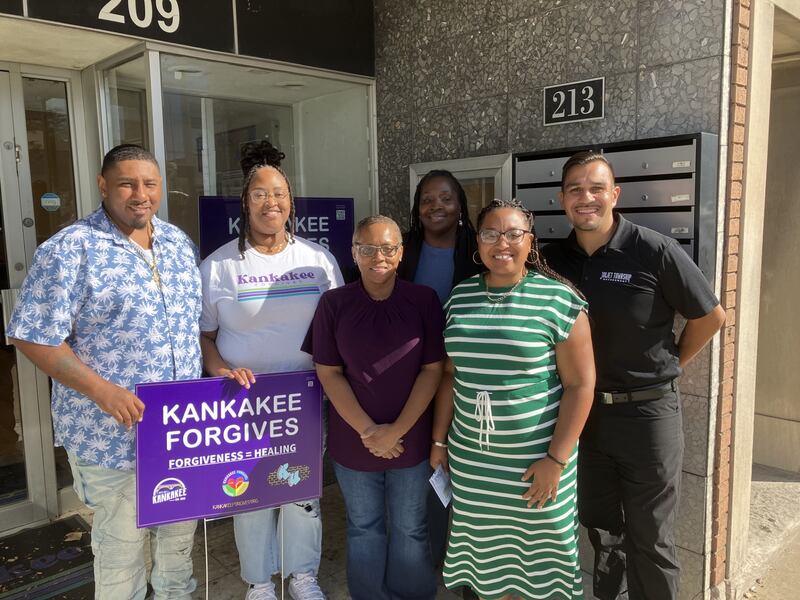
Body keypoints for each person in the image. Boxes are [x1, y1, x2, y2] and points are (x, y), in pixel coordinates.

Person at [6, 144, 201, 599]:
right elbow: (33, 336)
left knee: (177, 544)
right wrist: (102, 391)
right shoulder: (70, 249)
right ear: (103, 186)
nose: (140, 194)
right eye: (127, 183)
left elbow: (192, 329)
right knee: (121, 551)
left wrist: (221, 370)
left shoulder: (177, 243)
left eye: (149, 184)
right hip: (109, 433)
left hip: (179, 433)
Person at [542, 151, 726, 600]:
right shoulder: (548, 261)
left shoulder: (654, 249)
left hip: (648, 417)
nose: (586, 197)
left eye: (596, 188)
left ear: (614, 195)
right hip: (584, 419)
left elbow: (710, 317)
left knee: (652, 539)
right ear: (562, 198)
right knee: (603, 532)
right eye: (575, 189)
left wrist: (669, 368)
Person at [432, 198, 596, 600]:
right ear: (477, 241)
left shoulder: (559, 300)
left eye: (513, 233)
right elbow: (450, 376)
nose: (501, 242)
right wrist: (439, 443)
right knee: (488, 566)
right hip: (474, 465)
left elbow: (581, 385)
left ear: (530, 241)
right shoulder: (459, 298)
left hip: (536, 466)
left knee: (541, 564)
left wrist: (556, 461)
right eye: (490, 233)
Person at [199, 140, 341, 600]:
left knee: (301, 494)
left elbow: (338, 326)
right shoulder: (218, 265)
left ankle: (302, 577)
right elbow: (203, 335)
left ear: (291, 203)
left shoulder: (319, 260)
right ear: (245, 203)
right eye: (259, 194)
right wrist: (219, 369)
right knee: (249, 495)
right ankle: (259, 583)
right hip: (242, 402)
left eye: (278, 193)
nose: (270, 202)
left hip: (304, 399)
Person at [304, 215, 445, 600]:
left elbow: (433, 370)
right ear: (354, 252)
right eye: (367, 248)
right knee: (364, 526)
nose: (377, 257)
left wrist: (395, 430)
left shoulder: (424, 300)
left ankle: (413, 594)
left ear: (400, 253)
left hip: (411, 438)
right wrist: (370, 431)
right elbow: (328, 372)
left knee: (410, 526)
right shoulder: (334, 303)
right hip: (354, 442)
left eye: (387, 248)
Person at [398, 169, 482, 303]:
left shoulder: (480, 249)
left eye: (446, 199)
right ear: (418, 210)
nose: (436, 205)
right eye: (427, 200)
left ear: (460, 206)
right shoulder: (399, 247)